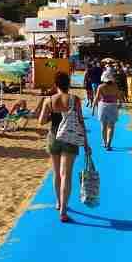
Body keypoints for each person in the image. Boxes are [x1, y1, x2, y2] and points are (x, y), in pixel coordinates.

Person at [39, 72, 91, 223]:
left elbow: (41, 122)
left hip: (54, 136)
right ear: (68, 84)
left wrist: (52, 115)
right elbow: (81, 122)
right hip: (70, 138)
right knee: (66, 175)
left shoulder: (49, 100)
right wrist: (86, 143)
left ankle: (58, 202)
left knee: (56, 173)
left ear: (56, 84)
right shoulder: (75, 100)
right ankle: (63, 209)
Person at [93, 69, 120, 150]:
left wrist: (93, 107)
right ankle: (109, 143)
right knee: (111, 126)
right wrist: (120, 103)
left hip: (103, 106)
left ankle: (104, 143)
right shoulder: (115, 86)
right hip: (113, 106)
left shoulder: (101, 87)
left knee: (103, 126)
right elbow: (118, 96)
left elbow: (97, 98)